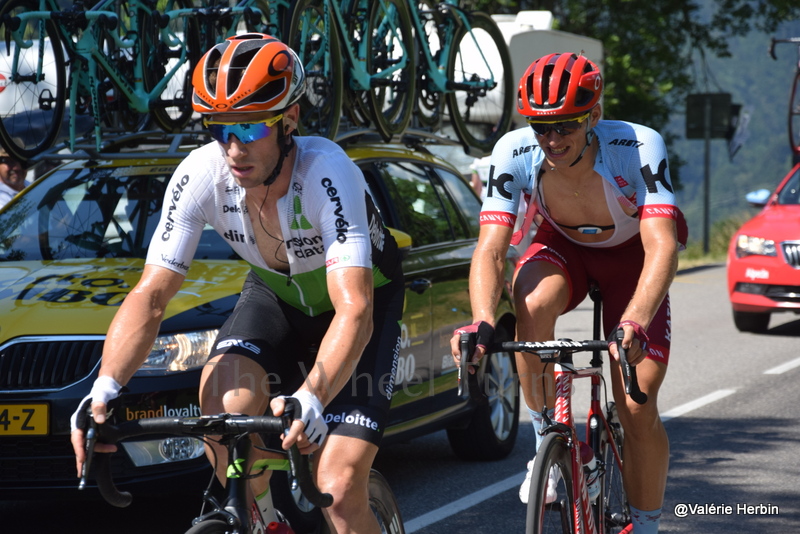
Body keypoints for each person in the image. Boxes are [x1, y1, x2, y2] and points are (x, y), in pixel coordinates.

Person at [70, 34, 404, 534]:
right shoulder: (201, 174)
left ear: (288, 121)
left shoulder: (326, 172)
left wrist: (312, 394)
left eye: (249, 127)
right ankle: (264, 518)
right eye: (219, 128)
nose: (233, 147)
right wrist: (105, 386)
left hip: (358, 308)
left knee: (336, 484)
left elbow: (355, 309)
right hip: (276, 294)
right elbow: (151, 294)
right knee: (222, 416)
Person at [450, 52, 686, 534]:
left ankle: (645, 525)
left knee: (637, 407)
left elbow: (661, 244)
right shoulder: (513, 152)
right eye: (542, 127)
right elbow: (492, 248)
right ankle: (545, 442)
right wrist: (480, 321)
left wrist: (635, 321)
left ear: (594, 116)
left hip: (631, 255)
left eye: (566, 126)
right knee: (531, 302)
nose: (552, 140)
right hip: (564, 247)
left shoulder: (638, 145)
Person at [0, 143, 29, 209]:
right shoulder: (1, 201)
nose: (17, 168)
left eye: (22, 162)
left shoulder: (33, 186)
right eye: (9, 161)